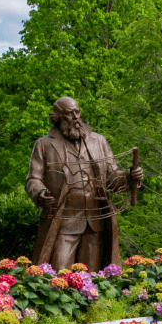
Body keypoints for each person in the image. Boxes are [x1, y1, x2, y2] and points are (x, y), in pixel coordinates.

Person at [25, 97, 142, 271]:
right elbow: (33, 178)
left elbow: (112, 178)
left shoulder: (98, 141)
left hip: (95, 222)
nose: (75, 117)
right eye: (69, 113)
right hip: (64, 221)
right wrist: (40, 192)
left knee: (92, 277)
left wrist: (129, 176)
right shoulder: (44, 145)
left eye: (77, 112)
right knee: (59, 274)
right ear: (57, 117)